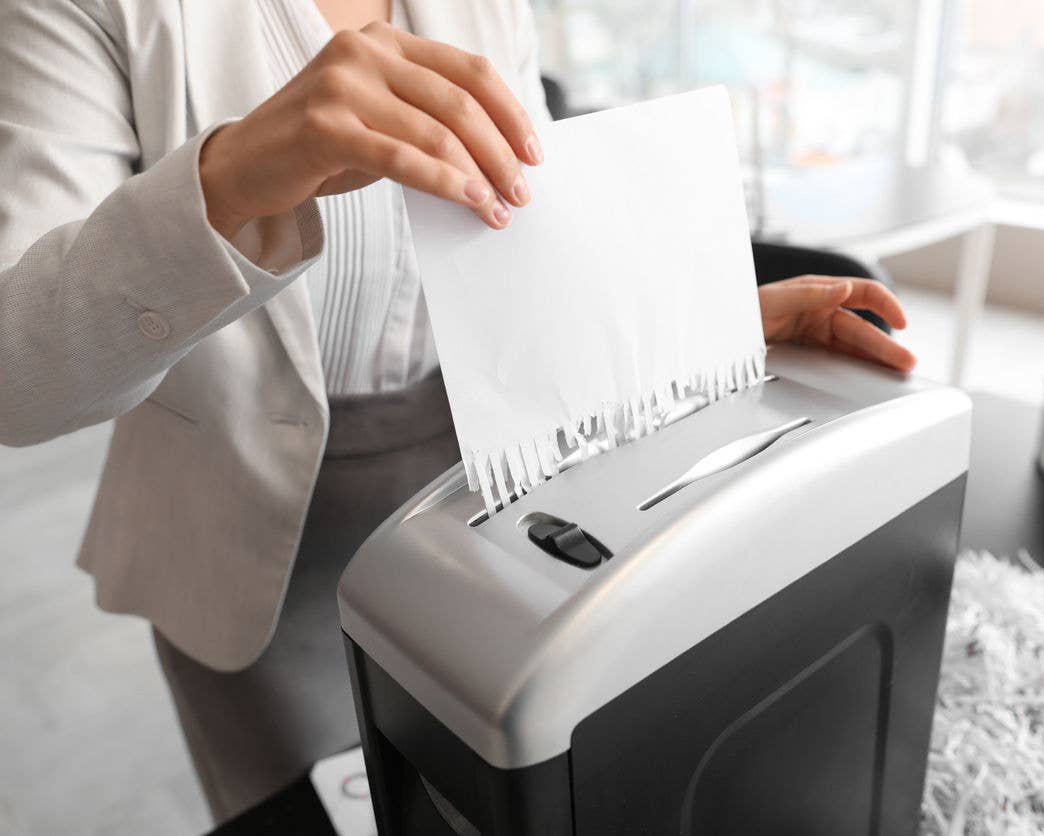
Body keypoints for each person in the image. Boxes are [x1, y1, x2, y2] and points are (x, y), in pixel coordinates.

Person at [0, 0, 917, 823]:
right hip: (231, 548)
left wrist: (704, 328)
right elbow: (16, 378)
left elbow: (526, 239)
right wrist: (229, 180)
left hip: (482, 512)